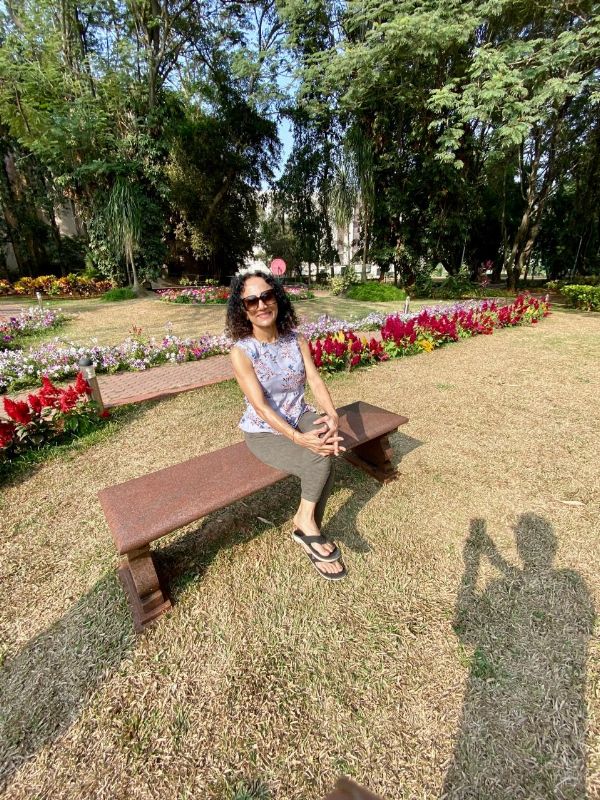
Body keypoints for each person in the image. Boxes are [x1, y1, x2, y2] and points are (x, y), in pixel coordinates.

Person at [226, 269, 347, 580]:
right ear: (243, 309)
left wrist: (331, 415)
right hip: (264, 431)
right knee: (319, 455)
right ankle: (307, 526)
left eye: (267, 296)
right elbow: (261, 407)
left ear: (277, 298)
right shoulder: (242, 352)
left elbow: (315, 380)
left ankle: (307, 525)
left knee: (327, 442)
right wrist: (298, 438)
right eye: (251, 301)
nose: (261, 305)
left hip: (299, 413)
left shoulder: (296, 339)